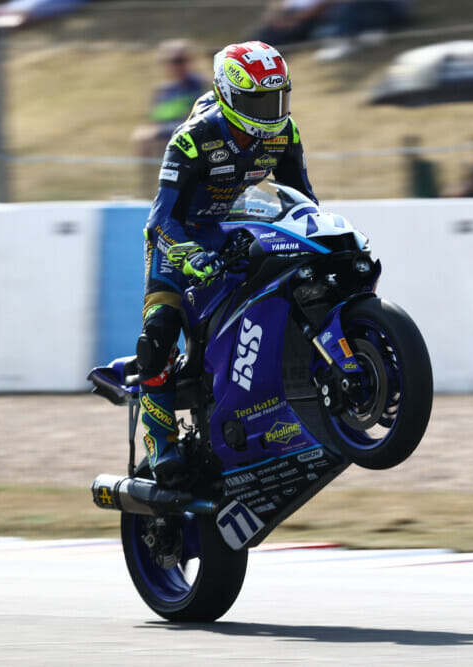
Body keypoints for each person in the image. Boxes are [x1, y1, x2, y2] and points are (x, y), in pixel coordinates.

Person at [138, 41, 316, 485]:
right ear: (229, 96)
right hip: (180, 238)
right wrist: (190, 255)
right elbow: (160, 220)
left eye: (278, 99)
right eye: (260, 102)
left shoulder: (285, 133)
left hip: (232, 227)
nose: (273, 112)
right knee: (159, 329)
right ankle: (159, 439)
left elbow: (303, 201)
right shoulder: (192, 139)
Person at [132, 40, 207, 196]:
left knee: (149, 138)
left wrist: (159, 130)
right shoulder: (163, 90)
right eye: (171, 61)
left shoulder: (199, 85)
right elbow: (156, 118)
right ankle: (150, 191)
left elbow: (197, 117)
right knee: (143, 137)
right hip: (167, 132)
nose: (176, 66)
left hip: (191, 132)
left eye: (180, 61)